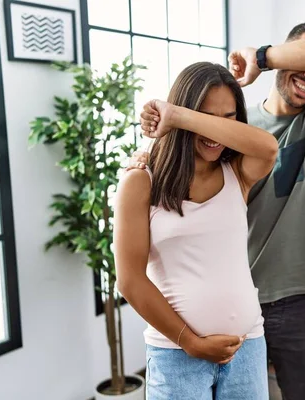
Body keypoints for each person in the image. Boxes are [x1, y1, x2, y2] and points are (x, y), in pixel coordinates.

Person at [135, 22, 305, 399]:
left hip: (303, 296)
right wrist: (148, 158)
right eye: (301, 59)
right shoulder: (230, 131)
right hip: (238, 299)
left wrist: (260, 57)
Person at [113, 62, 278, 400]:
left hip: (247, 346)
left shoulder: (238, 172)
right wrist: (191, 342)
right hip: (176, 355)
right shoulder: (140, 181)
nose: (216, 132)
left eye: (227, 119)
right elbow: (129, 281)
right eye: (205, 116)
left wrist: (180, 116)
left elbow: (268, 147)